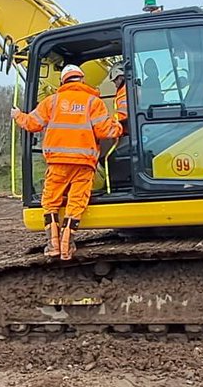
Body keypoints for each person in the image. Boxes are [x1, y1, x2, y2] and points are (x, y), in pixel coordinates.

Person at [12, 64, 124, 260]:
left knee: (50, 202)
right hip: (84, 163)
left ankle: (53, 245)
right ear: (81, 79)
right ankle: (67, 247)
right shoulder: (93, 102)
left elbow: (32, 123)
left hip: (58, 163)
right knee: (76, 203)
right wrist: (120, 127)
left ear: (62, 81)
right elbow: (105, 131)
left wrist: (17, 115)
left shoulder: (52, 101)